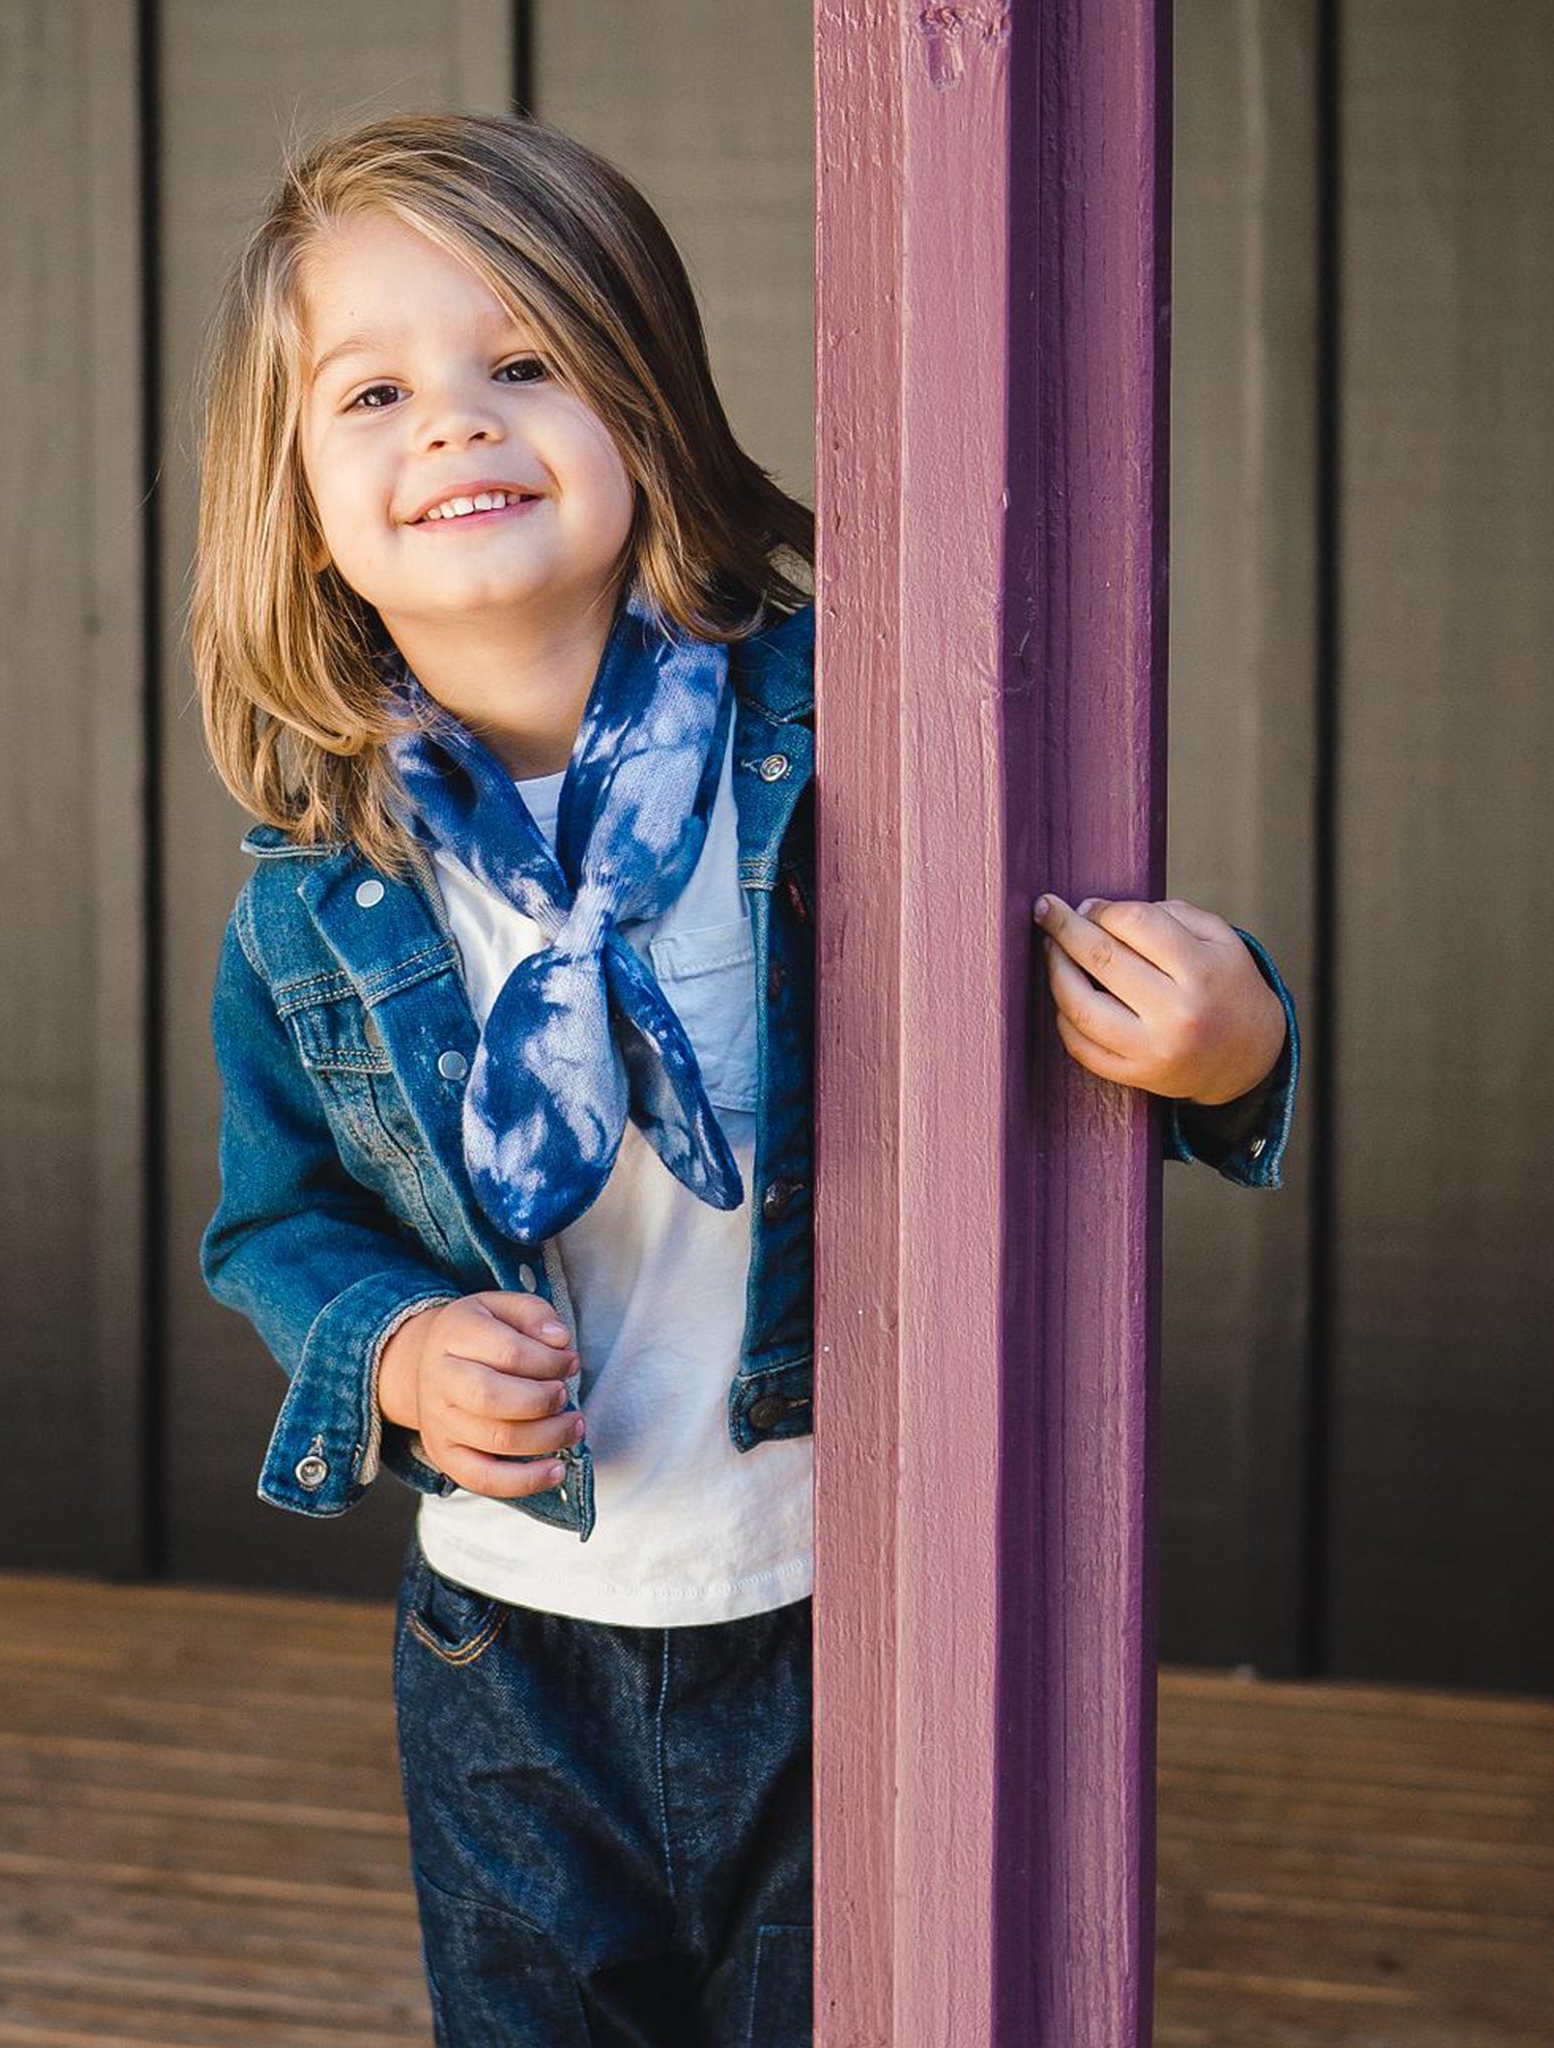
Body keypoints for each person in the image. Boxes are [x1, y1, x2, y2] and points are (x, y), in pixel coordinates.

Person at [189, 110, 1298, 2048]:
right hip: (512, 1641)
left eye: (522, 362)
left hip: (844, 1605)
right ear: (293, 504)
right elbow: (274, 1219)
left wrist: (1227, 1038)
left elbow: (1085, 972)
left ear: (643, 409)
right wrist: (390, 1348)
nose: (454, 421)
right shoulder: (320, 905)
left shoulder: (851, 734)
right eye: (373, 390)